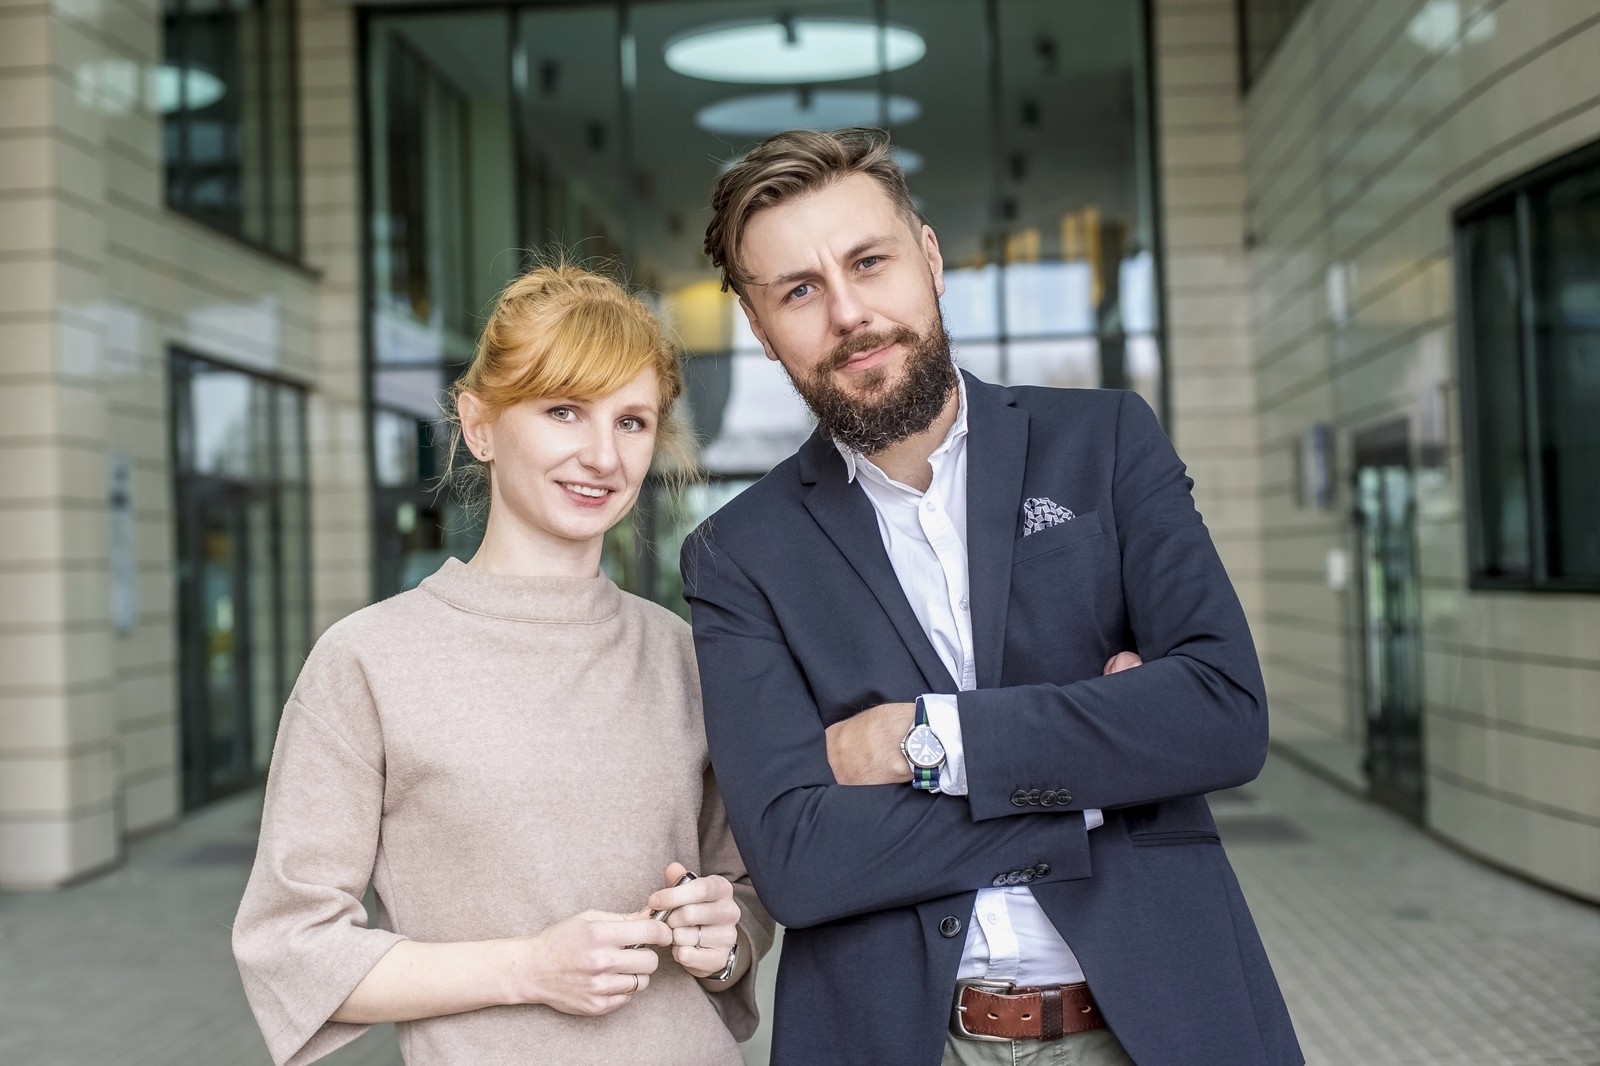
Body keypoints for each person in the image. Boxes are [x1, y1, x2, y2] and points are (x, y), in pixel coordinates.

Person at [681, 128, 1302, 1066]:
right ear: (762, 332)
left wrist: (926, 739)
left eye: (869, 262)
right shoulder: (738, 554)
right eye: (799, 291)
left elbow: (1223, 716)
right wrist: (1095, 779)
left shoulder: (1104, 442)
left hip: (1161, 1023)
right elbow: (799, 863)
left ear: (929, 259)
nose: (849, 312)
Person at [233, 263, 772, 1066]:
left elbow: (745, 895)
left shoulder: (685, 656)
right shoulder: (367, 661)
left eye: (631, 421)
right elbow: (292, 948)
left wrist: (723, 943)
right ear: (479, 426)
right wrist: (527, 969)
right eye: (564, 411)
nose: (603, 455)